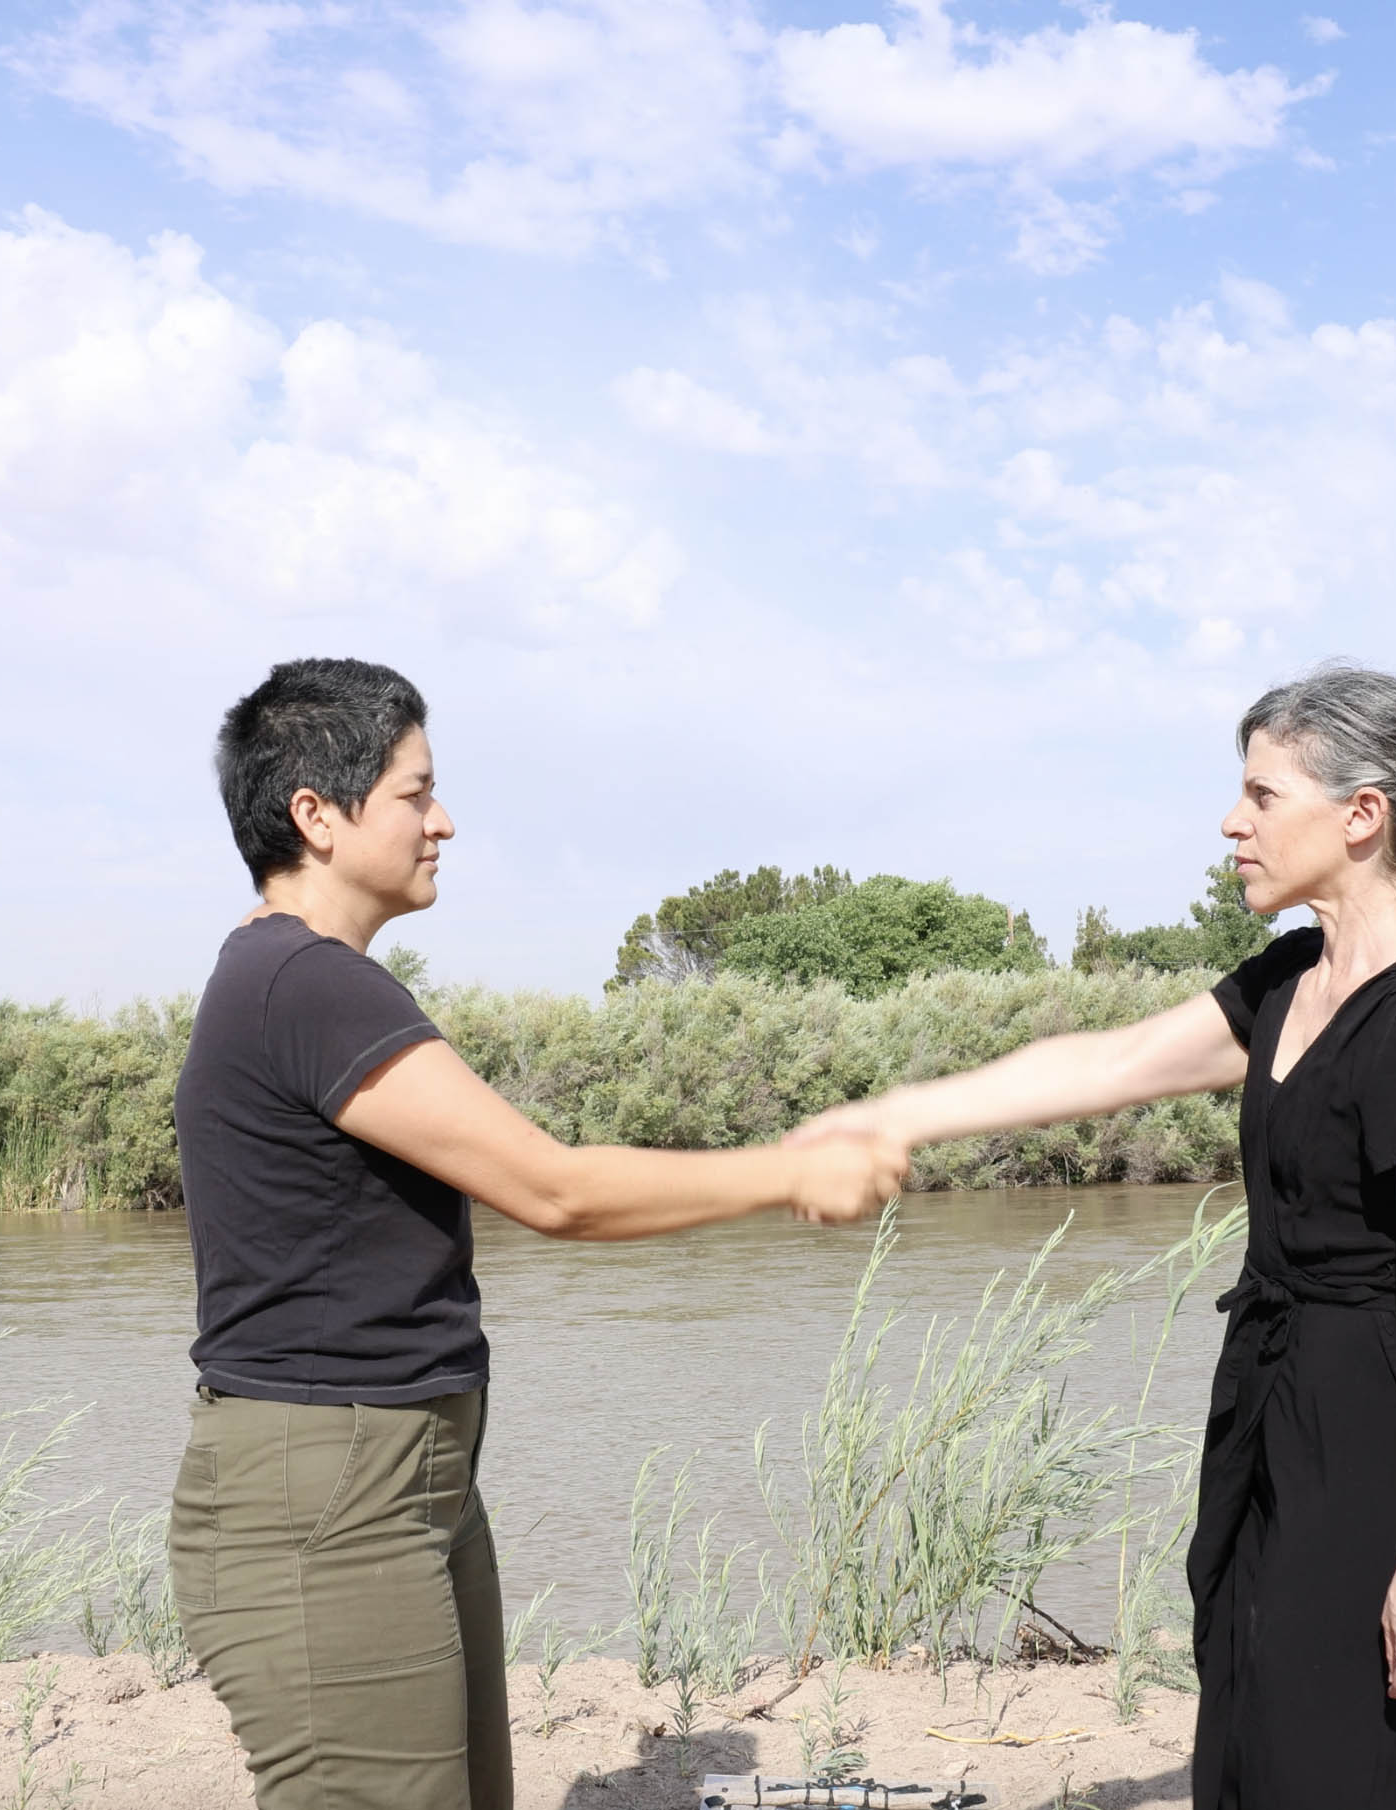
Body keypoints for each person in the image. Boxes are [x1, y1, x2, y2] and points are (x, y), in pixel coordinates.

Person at [790, 664, 1396, 1808]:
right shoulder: (1288, 979)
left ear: (1359, 814)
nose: (1232, 822)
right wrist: (892, 1112)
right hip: (1270, 1405)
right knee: (1266, 1705)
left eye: (1263, 796)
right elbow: (1109, 1065)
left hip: (1376, 1430)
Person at [168, 658, 908, 1810]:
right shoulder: (309, 984)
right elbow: (551, 1189)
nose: (442, 820)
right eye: (415, 794)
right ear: (316, 814)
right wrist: (789, 1172)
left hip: (394, 1473)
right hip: (324, 1496)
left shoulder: (296, 978)